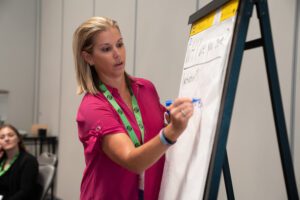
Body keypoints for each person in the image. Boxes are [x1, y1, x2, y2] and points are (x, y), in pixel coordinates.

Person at [74, 16, 194, 200]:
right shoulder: (92, 107)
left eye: (120, 44)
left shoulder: (146, 88)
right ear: (88, 57)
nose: (117, 54)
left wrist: (173, 117)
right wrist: (172, 132)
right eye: (106, 49)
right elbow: (132, 161)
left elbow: (156, 125)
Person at [0, 124, 40, 200]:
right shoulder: (2, 159)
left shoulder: (29, 161)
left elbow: (25, 192)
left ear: (18, 139)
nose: (7, 139)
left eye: (11, 135)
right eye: (2, 137)